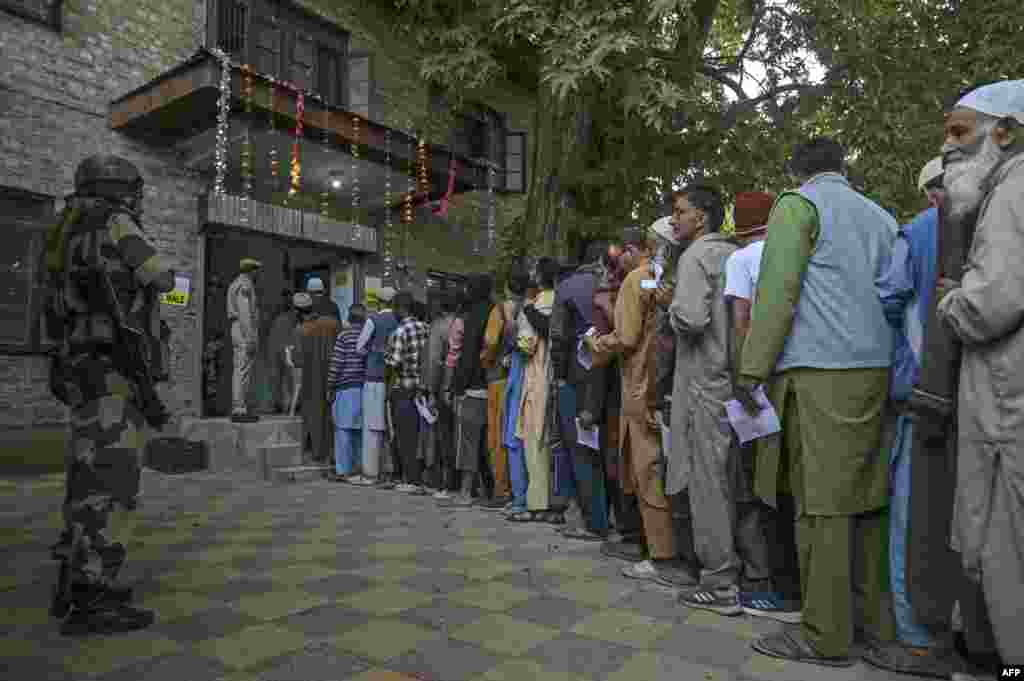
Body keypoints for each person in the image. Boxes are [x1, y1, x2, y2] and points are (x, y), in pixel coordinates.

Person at [739, 138, 898, 667]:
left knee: (821, 507)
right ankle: (876, 628)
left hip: (820, 370)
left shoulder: (798, 205)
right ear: (842, 167)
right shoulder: (879, 214)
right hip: (876, 370)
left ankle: (825, 637)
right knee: (869, 502)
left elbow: (777, 292)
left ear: (796, 171)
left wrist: (751, 369)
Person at [45, 154, 174, 635]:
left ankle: (74, 574)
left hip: (77, 368)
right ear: (119, 188)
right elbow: (159, 278)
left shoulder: (63, 227)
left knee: (84, 473)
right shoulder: (114, 222)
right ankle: (90, 594)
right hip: (116, 369)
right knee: (113, 481)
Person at [934, 80, 1024, 670]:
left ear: (1005, 132)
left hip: (1008, 407)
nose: (948, 146)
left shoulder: (1014, 191)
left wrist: (949, 300)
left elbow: (989, 304)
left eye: (960, 130)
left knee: (1006, 555)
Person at [720, 192, 803, 624]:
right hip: (797, 379)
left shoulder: (742, 259)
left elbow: (741, 322)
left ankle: (763, 582)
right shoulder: (796, 250)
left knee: (750, 485)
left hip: (759, 386)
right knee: (790, 484)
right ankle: (796, 581)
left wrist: (742, 380)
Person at [665, 185, 743, 611]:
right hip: (729, 381)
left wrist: (669, 308)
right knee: (727, 481)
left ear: (703, 217)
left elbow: (693, 318)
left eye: (681, 212)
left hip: (701, 383)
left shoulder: (695, 257)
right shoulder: (731, 254)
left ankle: (718, 580)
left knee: (706, 482)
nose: (675, 220)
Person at [585, 229, 680, 580]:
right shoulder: (657, 280)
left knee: (645, 470)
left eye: (616, 254)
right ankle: (663, 546)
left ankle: (661, 554)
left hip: (639, 387)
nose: (615, 261)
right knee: (657, 468)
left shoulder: (634, 281)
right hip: (660, 384)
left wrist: (596, 344)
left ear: (630, 250)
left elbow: (625, 337)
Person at [507, 259, 561, 522]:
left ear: (540, 277)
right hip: (552, 379)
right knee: (550, 441)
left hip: (536, 378)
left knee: (534, 441)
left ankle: (537, 502)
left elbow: (527, 345)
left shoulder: (537, 303)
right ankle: (550, 500)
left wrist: (514, 335)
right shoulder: (558, 299)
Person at [442, 274, 497, 508]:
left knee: (468, 442)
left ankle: (466, 492)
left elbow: (467, 356)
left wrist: (456, 387)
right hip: (495, 386)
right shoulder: (496, 311)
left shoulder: (473, 316)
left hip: (473, 388)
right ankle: (492, 490)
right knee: (488, 443)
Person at [480, 275, 521, 510]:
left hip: (498, 378)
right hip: (519, 376)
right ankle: (517, 489)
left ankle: (501, 489)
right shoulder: (527, 306)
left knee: (497, 435)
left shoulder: (500, 311)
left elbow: (490, 340)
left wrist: (485, 360)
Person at [385, 291, 431, 495]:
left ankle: (411, 479)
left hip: (404, 388)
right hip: (423, 389)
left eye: (395, 308)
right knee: (421, 436)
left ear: (400, 308)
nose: (393, 312)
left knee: (405, 436)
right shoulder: (426, 327)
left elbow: (393, 363)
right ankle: (422, 477)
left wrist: (389, 384)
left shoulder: (400, 331)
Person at [357, 286, 399, 486]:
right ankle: (390, 470)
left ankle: (371, 471)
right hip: (393, 380)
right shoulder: (399, 320)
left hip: (374, 378)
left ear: (380, 302)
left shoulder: (373, 320)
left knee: (372, 427)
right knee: (390, 427)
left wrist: (373, 353)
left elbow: (360, 347)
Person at [292, 290, 341, 464]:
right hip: (334, 377)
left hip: (311, 379)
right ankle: (334, 455)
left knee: (313, 415)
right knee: (331, 415)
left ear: (297, 311)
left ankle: (317, 453)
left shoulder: (300, 330)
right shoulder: (332, 323)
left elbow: (297, 360)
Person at [501, 266, 533, 517]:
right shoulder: (530, 308)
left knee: (515, 439)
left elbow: (520, 346)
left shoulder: (521, 314)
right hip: (521, 378)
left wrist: (509, 321)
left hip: (522, 380)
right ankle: (520, 496)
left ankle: (521, 498)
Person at [328, 303, 372, 484]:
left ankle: (343, 471)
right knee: (359, 432)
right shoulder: (368, 336)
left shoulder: (343, 336)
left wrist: (330, 385)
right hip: (364, 389)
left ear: (349, 317)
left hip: (345, 389)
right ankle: (359, 468)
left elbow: (337, 363)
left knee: (343, 431)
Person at [423, 291, 457, 493]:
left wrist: (432, 391)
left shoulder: (439, 326)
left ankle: (446, 481)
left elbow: (435, 361)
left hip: (444, 387)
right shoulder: (463, 323)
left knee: (444, 435)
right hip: (466, 387)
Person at [227, 257, 262, 422]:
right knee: (243, 369)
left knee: (241, 368)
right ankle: (239, 409)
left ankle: (240, 407)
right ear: (251, 271)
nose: (258, 274)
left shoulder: (236, 283)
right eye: (256, 271)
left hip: (238, 328)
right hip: (243, 329)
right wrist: (250, 338)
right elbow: (245, 314)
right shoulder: (245, 285)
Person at [267, 290, 299, 413]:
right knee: (277, 377)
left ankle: (291, 404)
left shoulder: (293, 314)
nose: (285, 300)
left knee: (289, 377)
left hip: (287, 347)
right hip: (277, 346)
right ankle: (278, 404)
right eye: (284, 297)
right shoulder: (277, 313)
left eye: (287, 298)